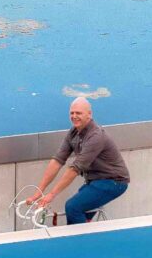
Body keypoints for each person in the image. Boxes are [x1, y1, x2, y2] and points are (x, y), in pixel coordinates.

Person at [22, 96, 131, 225]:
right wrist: (38, 192)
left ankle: (81, 242)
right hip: (95, 181)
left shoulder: (96, 136)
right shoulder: (73, 132)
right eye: (72, 113)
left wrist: (52, 194)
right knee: (79, 211)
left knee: (73, 207)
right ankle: (86, 234)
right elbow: (57, 161)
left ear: (89, 114)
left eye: (78, 113)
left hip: (114, 182)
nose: (74, 116)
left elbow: (74, 169)